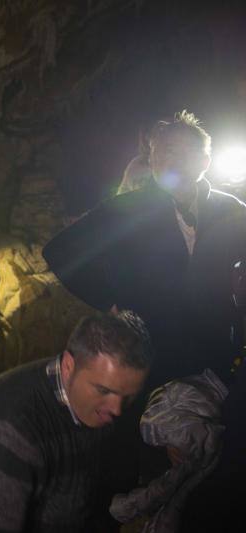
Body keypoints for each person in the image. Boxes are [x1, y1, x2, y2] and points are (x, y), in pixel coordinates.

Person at [43, 110, 246, 389]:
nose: (173, 160)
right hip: (153, 350)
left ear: (205, 161)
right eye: (164, 152)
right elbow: (61, 251)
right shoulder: (125, 209)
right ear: (151, 160)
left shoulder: (231, 209)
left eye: (184, 152)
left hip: (219, 348)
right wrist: (108, 300)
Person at [0, 311, 152, 532]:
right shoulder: (10, 424)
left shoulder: (103, 404)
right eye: (103, 390)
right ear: (69, 366)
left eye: (129, 396)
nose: (117, 409)